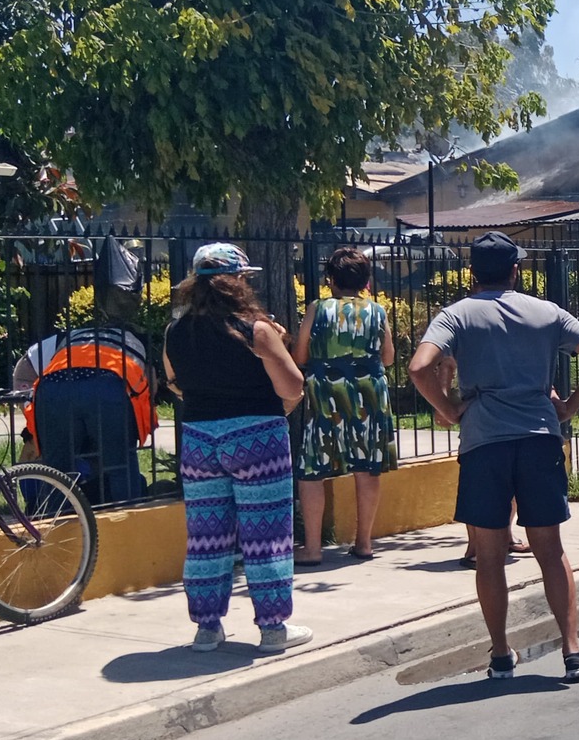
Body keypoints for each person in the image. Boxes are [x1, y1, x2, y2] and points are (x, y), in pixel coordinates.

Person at [408, 231, 579, 683]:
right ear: (516, 271)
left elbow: (419, 367)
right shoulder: (545, 312)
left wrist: (448, 410)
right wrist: (571, 405)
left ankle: (502, 653)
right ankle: (572, 649)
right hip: (539, 437)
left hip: (484, 442)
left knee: (488, 555)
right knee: (549, 549)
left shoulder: (456, 315)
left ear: (472, 274)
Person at [161, 243, 311, 654]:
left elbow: (173, 381)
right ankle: (273, 628)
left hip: (198, 438)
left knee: (207, 537)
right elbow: (292, 385)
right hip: (256, 437)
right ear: (239, 281)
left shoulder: (176, 331)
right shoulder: (256, 330)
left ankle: (207, 628)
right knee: (266, 533)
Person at [292, 247, 398, 565]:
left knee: (312, 470)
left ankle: (312, 548)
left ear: (330, 280)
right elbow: (389, 357)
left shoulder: (317, 308)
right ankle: (363, 542)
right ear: (366, 280)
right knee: (367, 468)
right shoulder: (376, 311)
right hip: (371, 395)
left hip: (326, 395)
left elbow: (300, 357)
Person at [22, 285, 155, 506]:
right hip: (109, 386)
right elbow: (149, 387)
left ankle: (54, 531)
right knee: (120, 464)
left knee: (57, 472)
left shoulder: (73, 337)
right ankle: (130, 522)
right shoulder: (137, 341)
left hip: (53, 387)